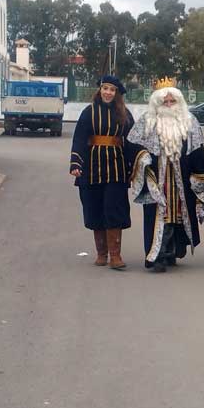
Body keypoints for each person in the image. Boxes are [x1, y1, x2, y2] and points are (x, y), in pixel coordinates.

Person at [126, 79, 204, 273]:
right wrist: (143, 157)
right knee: (160, 214)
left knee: (178, 215)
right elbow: (132, 144)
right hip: (157, 178)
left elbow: (197, 151)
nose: (169, 105)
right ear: (158, 103)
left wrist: (200, 176)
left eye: (172, 102)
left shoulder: (190, 121)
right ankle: (158, 255)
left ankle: (172, 251)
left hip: (182, 178)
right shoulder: (147, 121)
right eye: (165, 102)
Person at [69, 75, 135, 270]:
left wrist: (137, 163)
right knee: (94, 207)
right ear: (100, 90)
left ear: (117, 93)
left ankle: (115, 256)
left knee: (114, 208)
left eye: (112, 90)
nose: (108, 92)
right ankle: (101, 253)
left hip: (116, 167)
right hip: (91, 167)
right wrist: (76, 163)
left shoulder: (124, 113)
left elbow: (132, 140)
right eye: (105, 88)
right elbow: (79, 138)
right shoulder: (88, 112)